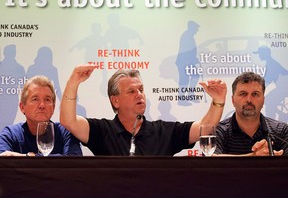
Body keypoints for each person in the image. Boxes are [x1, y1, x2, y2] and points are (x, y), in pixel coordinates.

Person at [60, 64, 227, 156]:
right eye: (132, 91)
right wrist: (73, 82)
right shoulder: (102, 131)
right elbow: (69, 121)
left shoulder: (164, 131)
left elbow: (204, 128)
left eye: (141, 89)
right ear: (115, 100)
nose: (139, 95)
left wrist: (218, 100)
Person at [0, 75, 82, 156]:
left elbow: (75, 162)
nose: (42, 105)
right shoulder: (11, 134)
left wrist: (29, 157)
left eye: (47, 99)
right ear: (22, 107)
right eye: (35, 99)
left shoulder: (65, 131)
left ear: (53, 107)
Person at [214, 72, 288, 156]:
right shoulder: (218, 130)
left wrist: (276, 160)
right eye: (243, 94)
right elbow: (211, 160)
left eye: (255, 94)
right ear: (233, 100)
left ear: (263, 100)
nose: (249, 100)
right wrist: (254, 156)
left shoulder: (281, 130)